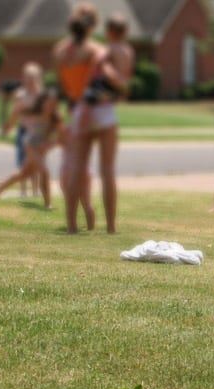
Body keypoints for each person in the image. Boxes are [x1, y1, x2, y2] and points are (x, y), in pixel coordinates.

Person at [54, 2, 124, 234]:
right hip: (101, 111)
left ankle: (72, 225)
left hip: (77, 111)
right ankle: (111, 227)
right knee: (107, 170)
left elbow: (65, 88)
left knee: (76, 168)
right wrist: (119, 85)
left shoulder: (60, 52)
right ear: (93, 25)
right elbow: (112, 79)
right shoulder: (97, 51)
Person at [0, 89, 62, 209]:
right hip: (30, 144)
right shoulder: (34, 112)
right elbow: (17, 113)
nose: (51, 106)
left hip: (42, 148)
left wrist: (49, 145)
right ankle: (48, 203)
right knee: (44, 171)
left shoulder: (56, 118)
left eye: (54, 104)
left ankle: (1, 187)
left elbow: (61, 138)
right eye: (48, 103)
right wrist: (8, 126)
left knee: (24, 174)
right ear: (43, 102)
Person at [3, 63, 45, 198]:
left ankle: (35, 190)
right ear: (24, 78)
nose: (31, 80)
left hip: (37, 132)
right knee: (23, 162)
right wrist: (9, 126)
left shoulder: (42, 95)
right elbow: (15, 113)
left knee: (36, 162)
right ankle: (23, 190)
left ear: (39, 78)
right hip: (23, 130)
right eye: (28, 77)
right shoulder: (20, 95)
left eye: (33, 77)